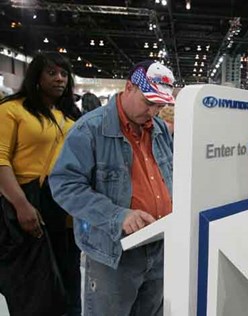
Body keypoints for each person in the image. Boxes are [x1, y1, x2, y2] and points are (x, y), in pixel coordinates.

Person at [49, 60, 175, 315]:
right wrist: (118, 215)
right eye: (148, 102)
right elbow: (65, 185)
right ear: (129, 87)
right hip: (114, 254)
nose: (153, 112)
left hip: (159, 247)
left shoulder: (160, 129)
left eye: (159, 105)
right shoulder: (89, 129)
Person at [0, 52, 82, 315]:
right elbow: (0, 160)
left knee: (67, 285)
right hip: (25, 201)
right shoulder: (11, 110)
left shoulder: (70, 116)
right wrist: (21, 205)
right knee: (32, 288)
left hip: (65, 209)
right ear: (36, 77)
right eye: (52, 73)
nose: (59, 78)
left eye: (64, 74)